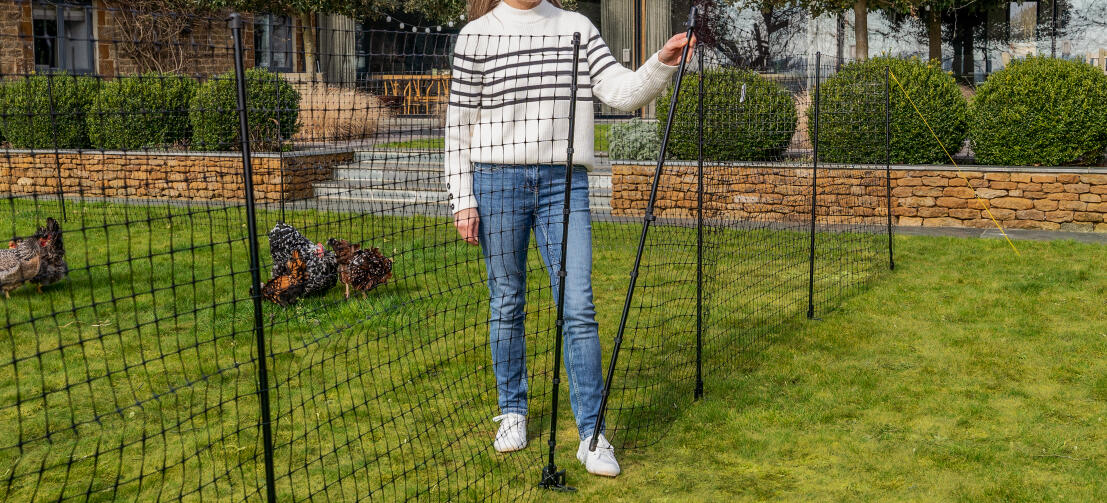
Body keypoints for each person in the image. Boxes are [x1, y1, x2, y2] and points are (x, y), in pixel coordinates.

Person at [445, 0, 694, 478]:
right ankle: (512, 412)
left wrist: (661, 62)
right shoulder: (476, 34)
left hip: (565, 181)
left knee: (577, 305)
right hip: (495, 181)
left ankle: (591, 434)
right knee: (506, 299)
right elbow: (458, 126)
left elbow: (619, 92)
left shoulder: (576, 26)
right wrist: (463, 198)